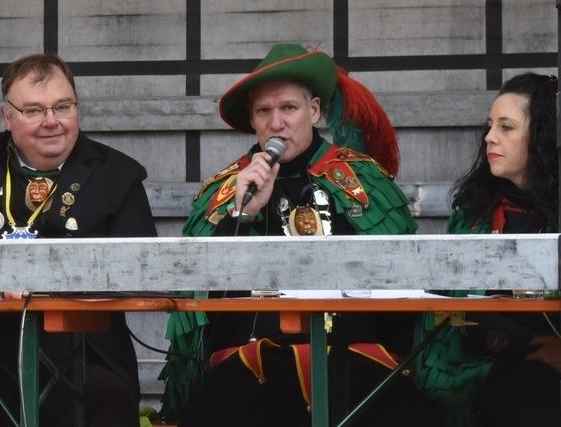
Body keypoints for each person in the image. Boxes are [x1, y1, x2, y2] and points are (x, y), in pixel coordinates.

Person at [158, 43, 438, 427]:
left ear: (315, 110)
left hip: (355, 357)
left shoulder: (364, 179)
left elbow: (406, 291)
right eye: (264, 111)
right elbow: (201, 310)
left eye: (288, 108)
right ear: (253, 121)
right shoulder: (226, 189)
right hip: (251, 365)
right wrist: (244, 212)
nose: (277, 123)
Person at [0, 53, 157, 426]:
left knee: (108, 413)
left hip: (87, 355)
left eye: (62, 106)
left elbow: (145, 273)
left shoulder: (119, 176)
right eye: (33, 111)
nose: (51, 121)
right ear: (7, 117)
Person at [414, 72, 561, 427]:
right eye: (489, 126)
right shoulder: (475, 212)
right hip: (485, 364)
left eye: (506, 127)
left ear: (544, 137)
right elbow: (453, 311)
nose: (489, 138)